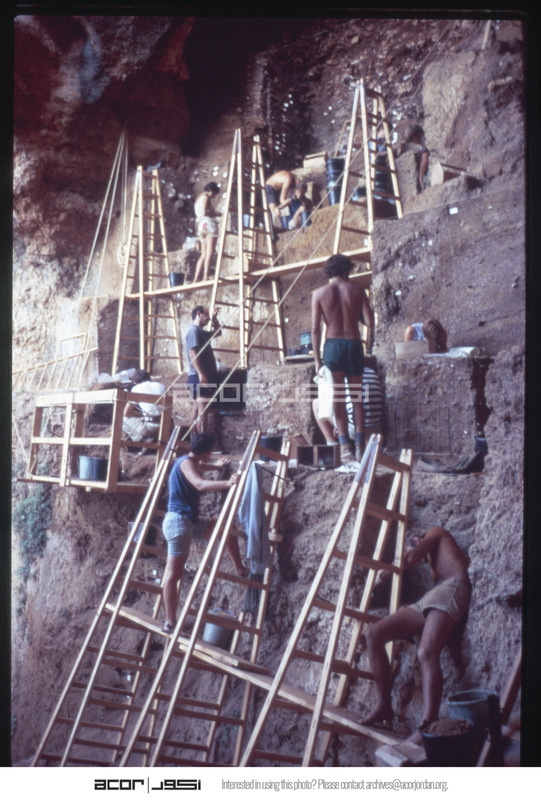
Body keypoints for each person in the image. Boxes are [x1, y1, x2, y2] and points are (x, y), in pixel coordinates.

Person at [360, 526, 471, 743]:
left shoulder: (437, 532)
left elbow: (409, 559)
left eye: (407, 546)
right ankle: (383, 705)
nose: (409, 553)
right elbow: (429, 590)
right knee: (373, 633)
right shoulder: (433, 563)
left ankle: (428, 725)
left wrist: (386, 570)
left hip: (453, 587)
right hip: (433, 596)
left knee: (426, 652)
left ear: (416, 539)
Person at [161, 432, 248, 633]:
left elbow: (199, 467)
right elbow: (199, 484)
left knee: (224, 526)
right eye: (210, 453)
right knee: (174, 574)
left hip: (187, 521)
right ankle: (170, 622)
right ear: (205, 453)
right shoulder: (186, 463)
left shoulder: (188, 461)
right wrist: (227, 483)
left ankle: (240, 569)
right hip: (178, 523)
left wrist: (216, 467)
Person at [311, 254, 375, 464]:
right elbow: (369, 322)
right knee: (356, 397)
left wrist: (317, 361)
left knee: (337, 398)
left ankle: (345, 449)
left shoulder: (318, 294)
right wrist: (355, 313)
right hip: (354, 345)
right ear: (346, 271)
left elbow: (315, 330)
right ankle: (360, 446)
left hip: (333, 347)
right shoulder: (357, 291)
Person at [312, 365, 384, 450]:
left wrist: (339, 426)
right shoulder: (371, 371)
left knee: (317, 404)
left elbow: (334, 406)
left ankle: (333, 448)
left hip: (355, 429)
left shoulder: (340, 374)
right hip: (377, 429)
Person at [185, 305, 223, 433]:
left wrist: (215, 319)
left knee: (197, 409)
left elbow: (218, 332)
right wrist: (201, 374)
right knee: (203, 412)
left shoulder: (200, 332)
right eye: (206, 315)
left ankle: (193, 441)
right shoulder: (194, 331)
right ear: (199, 314)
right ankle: (201, 442)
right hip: (198, 377)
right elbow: (192, 353)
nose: (208, 318)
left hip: (197, 377)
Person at [122, 369, 166, 443]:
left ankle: (142, 440)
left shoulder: (136, 389)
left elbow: (126, 413)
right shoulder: (161, 386)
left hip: (150, 428)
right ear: (149, 378)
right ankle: (152, 439)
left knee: (122, 419)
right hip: (165, 426)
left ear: (135, 382)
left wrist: (141, 414)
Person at [193, 182, 221, 283]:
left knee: (203, 254)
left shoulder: (198, 200)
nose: (214, 196)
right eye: (214, 194)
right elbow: (205, 212)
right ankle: (205, 277)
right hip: (209, 224)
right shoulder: (205, 197)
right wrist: (216, 213)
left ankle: (196, 279)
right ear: (210, 190)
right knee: (210, 252)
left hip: (201, 226)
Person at [399, 124, 429, 193]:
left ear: (419, 134)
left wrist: (420, 179)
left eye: (413, 139)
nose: (414, 142)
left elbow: (425, 160)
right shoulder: (422, 143)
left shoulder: (424, 139)